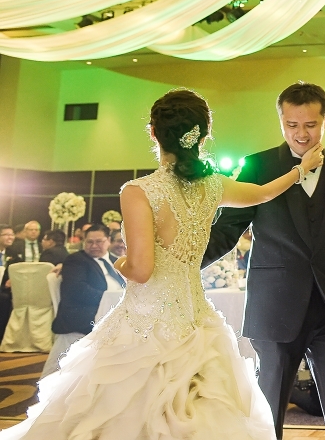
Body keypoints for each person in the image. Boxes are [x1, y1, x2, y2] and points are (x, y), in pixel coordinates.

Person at [0, 88, 307, 440]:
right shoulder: (213, 186)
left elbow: (141, 270)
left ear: (153, 132)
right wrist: (300, 170)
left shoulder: (139, 191)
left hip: (145, 323)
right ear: (202, 135)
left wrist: (119, 262)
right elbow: (263, 192)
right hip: (196, 321)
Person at [206, 81, 325, 440]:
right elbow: (228, 229)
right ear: (281, 122)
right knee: (268, 410)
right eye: (292, 125)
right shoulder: (258, 166)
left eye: (311, 125)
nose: (301, 134)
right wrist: (182, 261)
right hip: (275, 307)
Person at [40, 224, 125, 379]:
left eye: (99, 241)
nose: (94, 246)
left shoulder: (116, 261)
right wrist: (110, 299)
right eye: (89, 242)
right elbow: (78, 290)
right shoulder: (76, 260)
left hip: (115, 310)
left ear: (108, 241)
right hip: (86, 313)